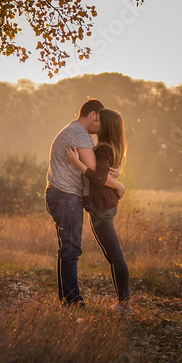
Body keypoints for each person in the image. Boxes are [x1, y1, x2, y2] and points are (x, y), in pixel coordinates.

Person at [66, 108, 133, 317]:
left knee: (116, 257)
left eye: (98, 120)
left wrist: (77, 162)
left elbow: (100, 178)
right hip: (103, 207)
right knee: (114, 257)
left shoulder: (103, 148)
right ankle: (123, 304)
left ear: (105, 126)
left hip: (103, 209)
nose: (93, 122)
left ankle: (125, 306)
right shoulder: (105, 146)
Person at [45, 98, 105, 306]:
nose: (101, 126)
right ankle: (72, 300)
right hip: (66, 196)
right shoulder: (79, 134)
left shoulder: (73, 130)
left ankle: (67, 298)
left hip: (60, 194)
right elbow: (94, 170)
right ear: (93, 115)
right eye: (100, 120)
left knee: (67, 248)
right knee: (71, 249)